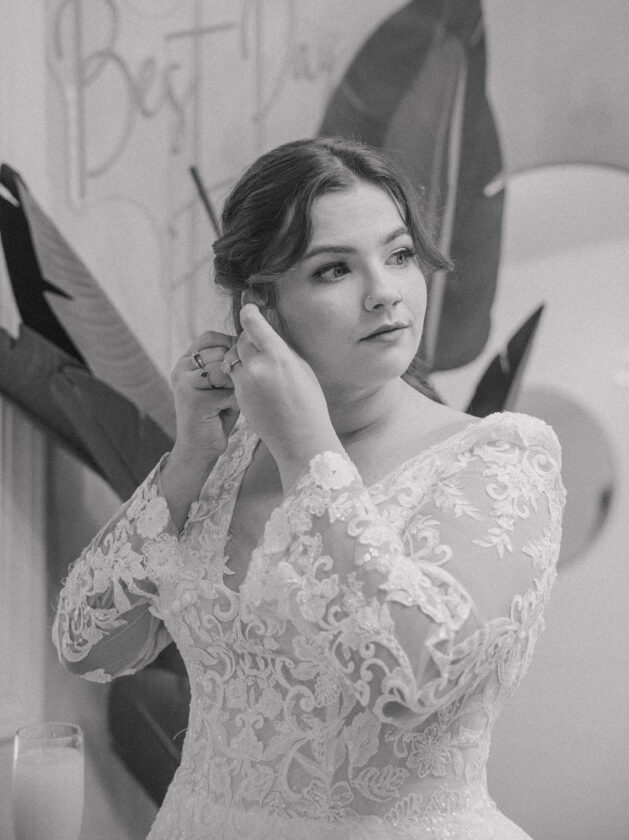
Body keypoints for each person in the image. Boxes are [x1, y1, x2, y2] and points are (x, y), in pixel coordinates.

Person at [53, 137, 566, 840]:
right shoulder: (220, 463)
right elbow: (87, 646)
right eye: (333, 269)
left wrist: (306, 449)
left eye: (398, 254)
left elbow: (412, 680)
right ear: (259, 305)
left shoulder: (498, 460)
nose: (385, 291)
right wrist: (193, 452)